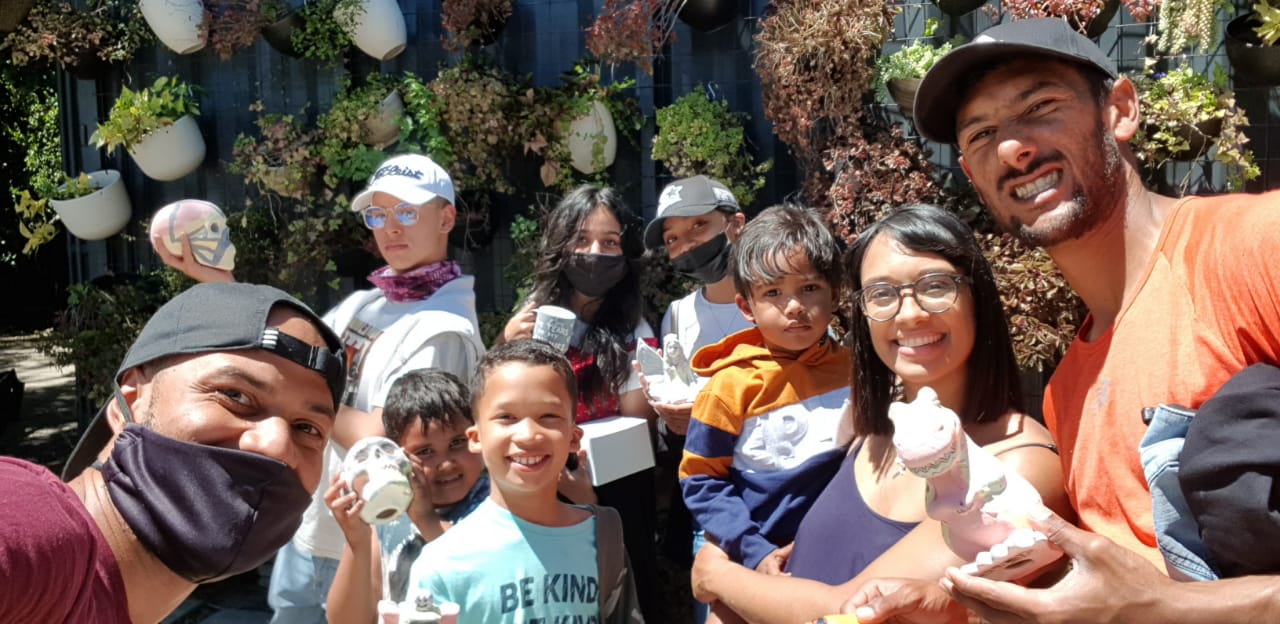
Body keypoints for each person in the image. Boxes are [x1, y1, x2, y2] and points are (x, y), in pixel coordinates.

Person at [851, 17, 1280, 623]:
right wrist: (956, 610)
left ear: (1120, 112)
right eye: (981, 134)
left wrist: (1176, 607)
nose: (1012, 147)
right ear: (974, 177)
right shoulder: (1065, 394)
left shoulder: (1255, 250)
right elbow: (1109, 588)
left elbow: (1147, 602)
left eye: (1041, 106)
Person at [687, 205, 1069, 624]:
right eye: (882, 294)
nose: (909, 314)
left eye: (936, 285)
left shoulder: (1017, 464)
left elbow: (854, 612)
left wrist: (719, 578)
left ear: (977, 295)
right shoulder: (868, 430)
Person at [158, 153, 487, 624]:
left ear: (447, 217)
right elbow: (291, 353)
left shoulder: (445, 330)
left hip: (369, 538)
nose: (391, 228)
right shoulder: (370, 301)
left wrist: (301, 408)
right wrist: (223, 285)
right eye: (379, 214)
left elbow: (385, 437)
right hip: (314, 520)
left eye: (408, 213)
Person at [0, 282, 345, 622]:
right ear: (130, 402)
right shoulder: (30, 532)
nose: (277, 445)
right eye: (235, 395)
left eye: (307, 429)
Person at [495, 184, 661, 619]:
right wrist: (505, 345)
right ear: (561, 247)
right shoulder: (533, 314)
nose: (595, 253)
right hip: (537, 479)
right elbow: (500, 401)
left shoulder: (633, 330)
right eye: (582, 240)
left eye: (610, 243)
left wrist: (588, 492)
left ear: (626, 256)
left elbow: (637, 432)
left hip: (615, 493)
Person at [679, 203, 850, 620]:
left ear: (834, 293)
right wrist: (754, 552)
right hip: (750, 562)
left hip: (838, 562)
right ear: (746, 306)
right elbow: (702, 481)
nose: (793, 306)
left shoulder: (855, 370)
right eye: (773, 292)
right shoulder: (728, 388)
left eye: (809, 288)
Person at [406, 339, 643, 623]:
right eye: (506, 417)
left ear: (573, 438)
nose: (529, 434)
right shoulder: (442, 565)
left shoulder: (604, 536)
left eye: (549, 416)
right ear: (476, 438)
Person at [641, 175, 753, 623]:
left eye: (699, 227)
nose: (686, 245)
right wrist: (672, 417)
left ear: (736, 224)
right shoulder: (678, 315)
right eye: (673, 238)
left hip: (783, 490)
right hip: (714, 503)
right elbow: (678, 400)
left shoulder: (778, 301)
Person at [325, 369, 489, 623]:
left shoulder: (497, 504)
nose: (446, 463)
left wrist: (425, 518)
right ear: (396, 456)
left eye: (457, 443)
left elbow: (482, 581)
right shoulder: (388, 518)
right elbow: (347, 620)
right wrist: (357, 541)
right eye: (425, 451)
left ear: (477, 437)